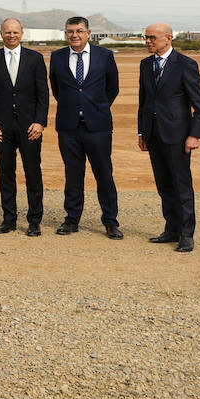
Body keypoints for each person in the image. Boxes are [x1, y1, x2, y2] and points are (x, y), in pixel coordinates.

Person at [138, 23, 200, 253]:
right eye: (146, 38)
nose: (148, 41)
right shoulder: (146, 64)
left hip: (178, 136)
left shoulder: (186, 64)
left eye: (152, 38)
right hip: (154, 135)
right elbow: (144, 102)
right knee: (164, 186)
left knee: (181, 186)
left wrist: (194, 135)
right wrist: (143, 132)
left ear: (168, 38)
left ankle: (186, 235)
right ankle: (171, 229)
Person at [50, 16, 122, 239]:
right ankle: (72, 220)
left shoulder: (104, 56)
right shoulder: (57, 57)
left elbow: (113, 88)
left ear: (88, 33)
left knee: (104, 175)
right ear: (65, 33)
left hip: (98, 126)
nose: (74, 35)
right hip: (68, 127)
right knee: (73, 175)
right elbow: (56, 89)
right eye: (70, 31)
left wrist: (94, 108)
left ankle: (110, 222)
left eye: (79, 31)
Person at [0, 18, 49, 236]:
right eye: (7, 32)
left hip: (30, 127)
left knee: (32, 173)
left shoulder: (35, 58)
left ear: (22, 33)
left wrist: (39, 122)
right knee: (6, 173)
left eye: (15, 32)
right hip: (2, 128)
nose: (12, 36)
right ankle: (9, 219)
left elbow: (43, 95)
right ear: (1, 33)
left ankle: (34, 220)